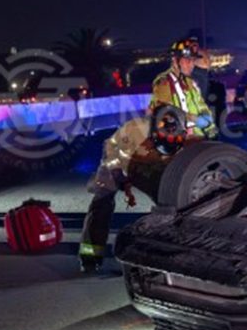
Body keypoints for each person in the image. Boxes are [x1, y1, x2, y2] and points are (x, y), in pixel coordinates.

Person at [79, 107, 191, 272]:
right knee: (101, 204)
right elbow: (114, 152)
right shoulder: (135, 131)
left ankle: (168, 252)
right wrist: (121, 177)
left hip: (146, 165)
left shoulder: (180, 130)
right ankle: (90, 256)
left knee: (167, 204)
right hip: (116, 163)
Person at [150, 39, 217, 138]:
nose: (191, 65)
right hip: (178, 141)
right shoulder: (164, 82)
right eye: (187, 60)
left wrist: (208, 121)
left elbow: (200, 104)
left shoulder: (189, 82)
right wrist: (193, 118)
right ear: (175, 60)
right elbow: (164, 111)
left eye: (193, 60)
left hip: (197, 138)